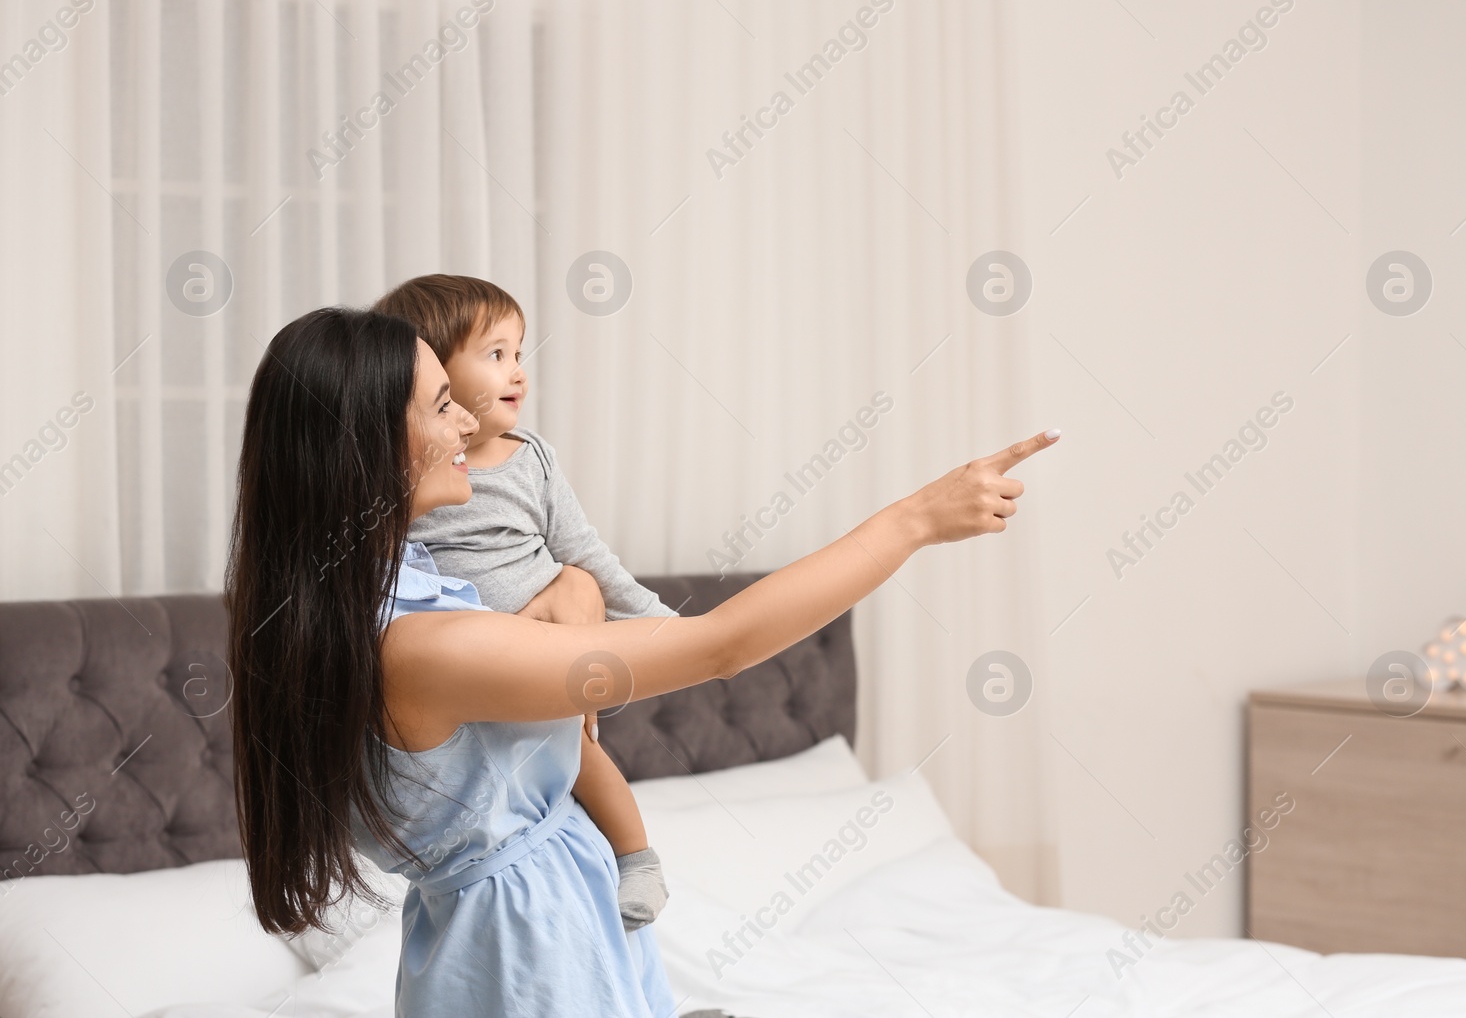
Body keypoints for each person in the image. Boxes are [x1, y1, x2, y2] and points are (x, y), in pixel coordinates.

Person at [225, 305, 1057, 1017]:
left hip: (527, 932)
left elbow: (552, 600)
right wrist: (912, 521)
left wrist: (578, 587)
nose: (469, 425)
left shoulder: (380, 601)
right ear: (372, 445)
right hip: (530, 954)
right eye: (443, 405)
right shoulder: (421, 647)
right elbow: (721, 644)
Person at [373, 273, 671, 932]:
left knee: (583, 752)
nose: (518, 373)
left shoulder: (530, 459)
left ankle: (636, 854)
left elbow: (588, 558)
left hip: (550, 655)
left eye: (520, 353)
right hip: (481, 674)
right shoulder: (406, 483)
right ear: (428, 374)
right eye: (496, 354)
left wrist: (661, 626)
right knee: (549, 760)